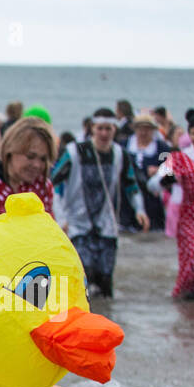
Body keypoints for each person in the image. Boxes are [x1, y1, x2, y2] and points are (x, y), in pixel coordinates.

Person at [50, 108, 148, 297]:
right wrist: (60, 217)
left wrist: (140, 210)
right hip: (77, 224)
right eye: (100, 128)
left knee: (105, 280)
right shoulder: (75, 151)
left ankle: (107, 316)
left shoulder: (120, 154)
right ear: (92, 129)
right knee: (83, 277)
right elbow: (55, 185)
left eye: (108, 129)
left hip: (107, 225)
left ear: (114, 130)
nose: (104, 133)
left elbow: (131, 185)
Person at [149, 108, 194, 298]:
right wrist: (165, 180)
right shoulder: (180, 157)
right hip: (191, 219)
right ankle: (189, 304)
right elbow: (152, 185)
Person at [0, 116, 57, 217]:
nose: (37, 165)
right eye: (30, 156)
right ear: (11, 150)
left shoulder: (43, 187)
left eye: (43, 159)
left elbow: (49, 227)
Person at [124, 113, 172, 232]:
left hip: (152, 196)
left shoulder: (162, 148)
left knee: (153, 229)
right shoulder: (124, 145)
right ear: (135, 129)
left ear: (153, 130)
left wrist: (159, 170)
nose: (143, 132)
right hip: (128, 193)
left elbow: (171, 171)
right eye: (140, 128)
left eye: (147, 128)